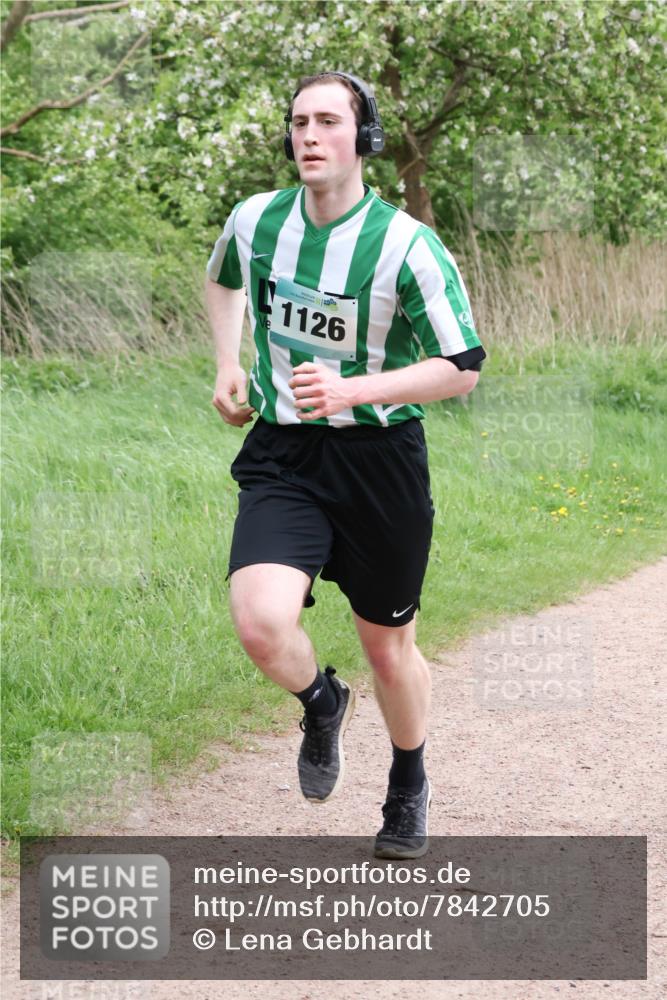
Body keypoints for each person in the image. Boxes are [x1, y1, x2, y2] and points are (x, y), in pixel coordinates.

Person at [205, 71, 485, 859]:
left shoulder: (405, 245)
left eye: (328, 121)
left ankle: (407, 781)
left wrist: (352, 388)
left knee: (388, 646)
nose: (308, 136)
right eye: (298, 121)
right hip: (284, 450)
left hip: (380, 461)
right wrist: (228, 363)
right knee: (261, 622)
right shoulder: (256, 219)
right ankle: (321, 702)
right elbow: (223, 278)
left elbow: (461, 365)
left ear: (361, 140)